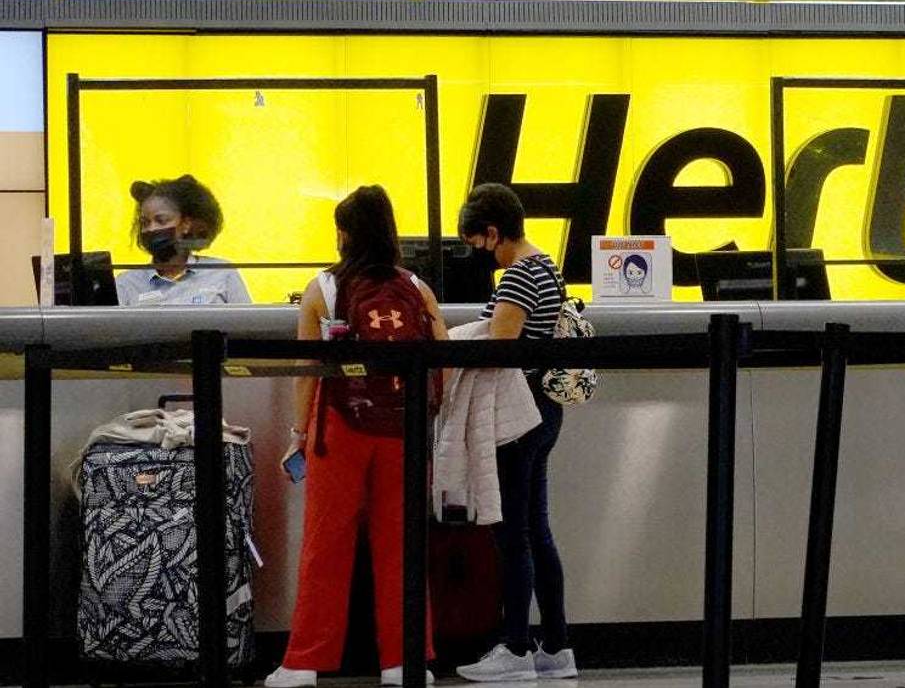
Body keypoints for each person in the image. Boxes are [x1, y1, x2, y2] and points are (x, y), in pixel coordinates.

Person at [265, 185, 447, 688]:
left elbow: (309, 369)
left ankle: (305, 662)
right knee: (402, 546)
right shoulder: (416, 287)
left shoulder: (321, 289)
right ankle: (405, 662)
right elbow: (444, 362)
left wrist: (299, 433)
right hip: (404, 429)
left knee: (326, 543)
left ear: (343, 235)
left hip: (339, 426)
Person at [455, 183, 578, 683]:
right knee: (537, 531)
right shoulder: (546, 266)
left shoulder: (520, 277)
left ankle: (516, 647)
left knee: (513, 537)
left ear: (492, 231)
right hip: (544, 413)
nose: (478, 253)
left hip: (517, 417)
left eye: (477, 242)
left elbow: (499, 348)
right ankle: (556, 646)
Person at [115, 174, 251, 306]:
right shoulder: (125, 284)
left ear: (186, 225)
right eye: (145, 223)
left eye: (161, 220)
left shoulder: (222, 273)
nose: (151, 229)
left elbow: (250, 326)